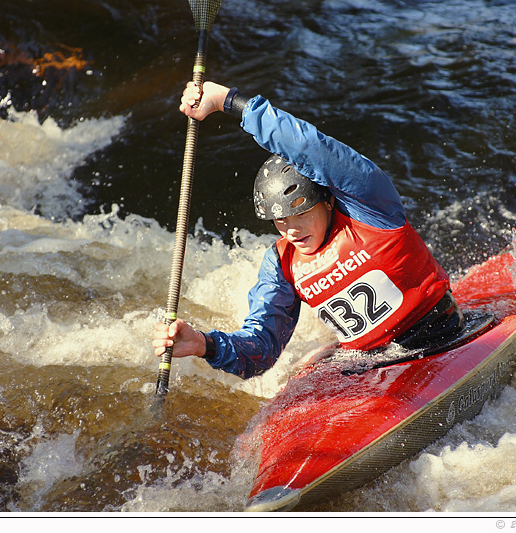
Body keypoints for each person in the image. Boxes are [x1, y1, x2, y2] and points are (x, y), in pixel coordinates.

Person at [152, 81, 462, 378]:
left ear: (327, 201)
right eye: (280, 220)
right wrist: (205, 345)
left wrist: (227, 101)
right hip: (370, 363)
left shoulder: (369, 206)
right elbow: (261, 348)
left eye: (300, 213)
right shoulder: (282, 262)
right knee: (302, 368)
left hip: (438, 335)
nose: (290, 230)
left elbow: (308, 147)